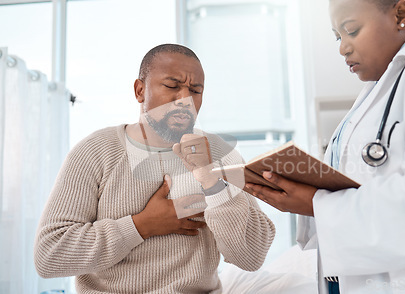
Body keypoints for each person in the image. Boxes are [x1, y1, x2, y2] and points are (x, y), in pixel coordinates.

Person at [245, 0, 405, 293]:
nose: (342, 48)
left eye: (351, 30)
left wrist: (316, 203)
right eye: (337, 37)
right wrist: (304, 196)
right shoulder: (369, 99)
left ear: (400, 14)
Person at [34, 44, 275, 293]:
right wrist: (142, 225)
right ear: (140, 91)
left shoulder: (220, 152)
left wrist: (211, 182)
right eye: (172, 86)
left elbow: (252, 257)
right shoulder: (95, 151)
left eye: (196, 90)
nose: (185, 100)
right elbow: (49, 255)